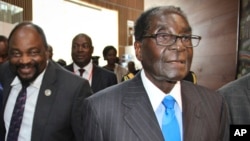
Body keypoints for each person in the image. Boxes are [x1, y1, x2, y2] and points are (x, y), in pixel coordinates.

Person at [82, 6, 229, 141]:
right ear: (139, 50)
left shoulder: (215, 104)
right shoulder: (101, 109)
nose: (179, 46)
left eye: (185, 38)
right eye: (164, 36)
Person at [0, 22, 92, 141]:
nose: (24, 60)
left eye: (33, 52)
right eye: (16, 53)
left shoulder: (75, 89)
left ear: (47, 52)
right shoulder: (5, 72)